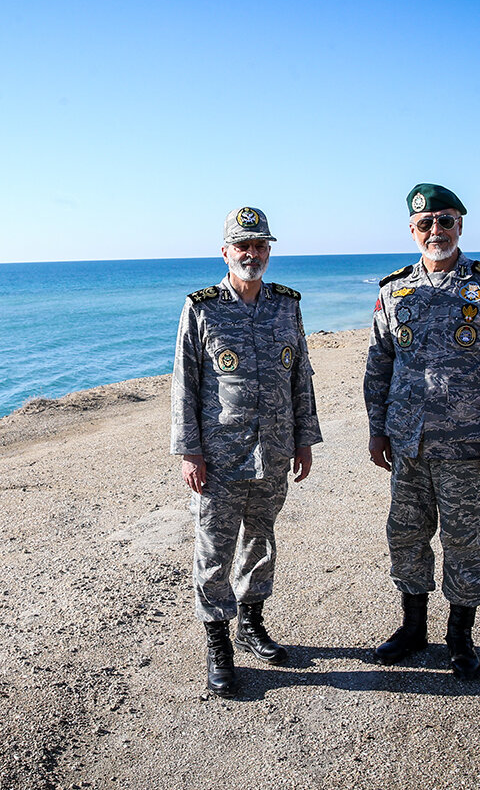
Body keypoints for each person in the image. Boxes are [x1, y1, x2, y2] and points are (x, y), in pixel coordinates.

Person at [363, 184, 480, 679]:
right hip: (408, 443)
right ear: (411, 231)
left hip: (466, 445)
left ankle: (460, 637)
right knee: (406, 536)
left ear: (461, 225)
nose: (436, 231)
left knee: (463, 540)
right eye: (425, 224)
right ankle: (414, 630)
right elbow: (379, 364)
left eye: (446, 221)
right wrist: (377, 429)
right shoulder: (393, 290)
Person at [171, 206, 324, 697]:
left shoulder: (286, 305)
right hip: (219, 455)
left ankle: (250, 622)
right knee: (214, 548)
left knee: (260, 541)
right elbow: (184, 385)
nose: (252, 254)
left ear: (268, 251)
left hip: (275, 450)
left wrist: (304, 438)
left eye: (260, 246)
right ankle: (218, 643)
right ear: (225, 252)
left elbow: (301, 373)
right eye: (244, 246)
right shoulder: (202, 307)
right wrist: (190, 452)